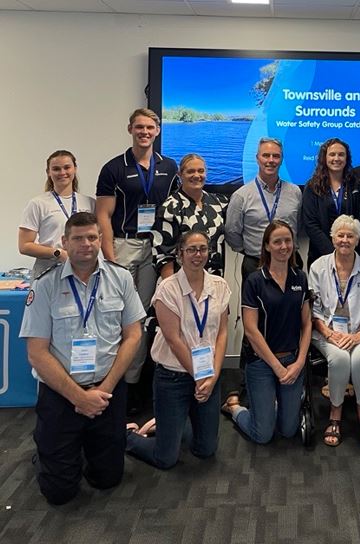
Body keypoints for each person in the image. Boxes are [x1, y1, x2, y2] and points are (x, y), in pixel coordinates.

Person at [19, 212, 145, 505]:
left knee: (107, 480)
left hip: (107, 390)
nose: (86, 244)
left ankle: (81, 447)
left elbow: (133, 336)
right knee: (60, 493)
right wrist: (78, 397)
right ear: (64, 242)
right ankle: (47, 452)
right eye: (78, 238)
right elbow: (36, 352)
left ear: (101, 240)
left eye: (92, 237)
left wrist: (104, 390)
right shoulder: (44, 285)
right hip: (62, 393)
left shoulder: (121, 277)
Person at [95, 108, 179, 411]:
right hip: (123, 244)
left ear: (157, 130)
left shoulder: (169, 167)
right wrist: (110, 257)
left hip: (155, 249)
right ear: (130, 128)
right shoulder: (114, 168)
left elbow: (174, 210)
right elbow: (102, 215)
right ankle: (112, 383)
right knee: (119, 316)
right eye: (139, 127)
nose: (145, 132)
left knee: (142, 319)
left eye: (150, 127)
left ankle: (133, 385)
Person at [126, 231, 230, 468]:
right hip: (172, 377)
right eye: (191, 249)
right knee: (166, 459)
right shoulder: (167, 289)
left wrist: (213, 375)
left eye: (203, 249)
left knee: (206, 450)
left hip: (208, 375)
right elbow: (173, 339)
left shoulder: (220, 285)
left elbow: (222, 333)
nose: (198, 255)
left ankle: (167, 423)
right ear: (180, 254)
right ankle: (127, 436)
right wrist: (200, 376)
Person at [221, 220, 311, 444]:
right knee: (263, 435)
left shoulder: (300, 277)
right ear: (267, 246)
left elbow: (307, 324)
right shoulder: (254, 281)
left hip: (292, 361)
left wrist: (299, 363)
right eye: (277, 241)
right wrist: (277, 368)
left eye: (288, 241)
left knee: (289, 431)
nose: (283, 246)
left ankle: (277, 403)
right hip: (261, 363)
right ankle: (234, 408)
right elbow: (251, 330)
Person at [309, 215, 360, 447]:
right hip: (327, 332)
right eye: (340, 235)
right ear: (332, 238)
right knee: (339, 359)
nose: (345, 240)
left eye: (350, 236)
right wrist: (329, 334)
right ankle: (335, 415)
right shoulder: (318, 267)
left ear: (357, 240)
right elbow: (313, 310)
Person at [225, 137, 303, 282]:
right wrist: (250, 250)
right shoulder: (241, 195)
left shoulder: (295, 192)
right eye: (266, 155)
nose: (271, 160)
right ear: (257, 158)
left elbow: (298, 224)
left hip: (290, 262)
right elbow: (231, 231)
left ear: (281, 159)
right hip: (256, 264)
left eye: (276, 156)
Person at [19, 150, 95, 278]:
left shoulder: (90, 203)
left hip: (83, 270)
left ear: (75, 169)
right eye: (56, 169)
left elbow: (98, 237)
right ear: (48, 172)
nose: (62, 173)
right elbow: (24, 246)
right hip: (49, 270)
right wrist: (57, 253)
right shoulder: (37, 204)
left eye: (67, 167)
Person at [152, 153, 228, 278]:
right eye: (190, 171)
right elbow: (164, 256)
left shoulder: (218, 203)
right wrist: (171, 290)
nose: (197, 175)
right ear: (180, 175)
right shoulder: (170, 208)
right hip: (182, 283)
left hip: (214, 280)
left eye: (201, 171)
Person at [302, 138, 360, 268]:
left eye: (341, 154)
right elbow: (310, 224)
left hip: (352, 256)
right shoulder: (312, 187)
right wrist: (333, 254)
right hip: (320, 258)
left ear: (347, 158)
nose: (337, 158)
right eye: (332, 154)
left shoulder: (357, 186)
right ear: (324, 158)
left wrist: (348, 249)